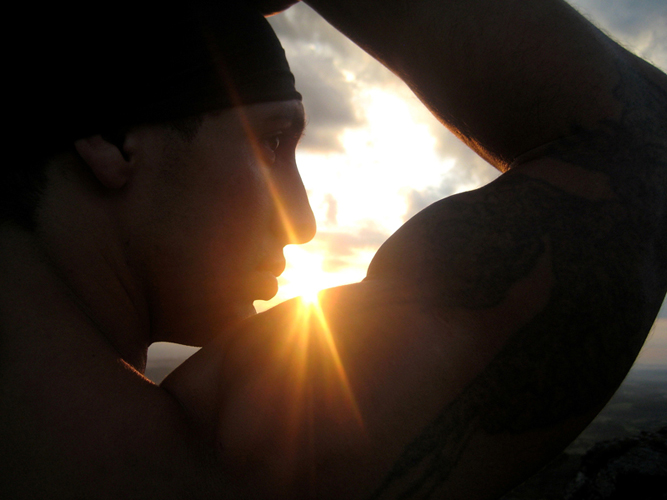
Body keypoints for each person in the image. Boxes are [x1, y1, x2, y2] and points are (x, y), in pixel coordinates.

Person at [1, 0, 665, 498]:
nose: (302, 222)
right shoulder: (184, 464)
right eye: (271, 141)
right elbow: (643, 148)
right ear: (114, 138)